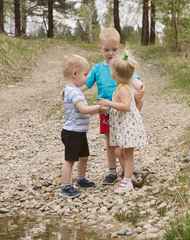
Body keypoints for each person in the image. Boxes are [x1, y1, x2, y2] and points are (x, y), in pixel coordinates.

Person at [61, 27, 145, 185]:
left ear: (119, 47)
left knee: (124, 141)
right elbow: (85, 85)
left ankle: (127, 171)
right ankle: (112, 171)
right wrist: (70, 90)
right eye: (107, 50)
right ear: (100, 48)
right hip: (105, 112)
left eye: (114, 49)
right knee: (110, 142)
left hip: (121, 111)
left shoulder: (121, 65)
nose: (111, 53)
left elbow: (132, 78)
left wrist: (141, 86)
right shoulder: (98, 68)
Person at [98, 52, 148, 193]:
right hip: (125, 128)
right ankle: (129, 175)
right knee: (119, 151)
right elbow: (138, 102)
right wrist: (135, 114)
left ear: (115, 74)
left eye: (112, 70)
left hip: (127, 129)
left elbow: (126, 106)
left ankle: (127, 180)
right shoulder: (123, 88)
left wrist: (110, 103)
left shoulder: (124, 89)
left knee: (127, 154)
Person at [60, 54, 109, 198]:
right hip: (72, 132)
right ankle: (66, 186)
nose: (87, 78)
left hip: (80, 132)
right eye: (85, 74)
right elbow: (83, 109)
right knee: (70, 160)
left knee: (84, 156)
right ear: (75, 74)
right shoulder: (73, 92)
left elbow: (83, 112)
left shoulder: (72, 90)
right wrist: (99, 108)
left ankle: (80, 179)